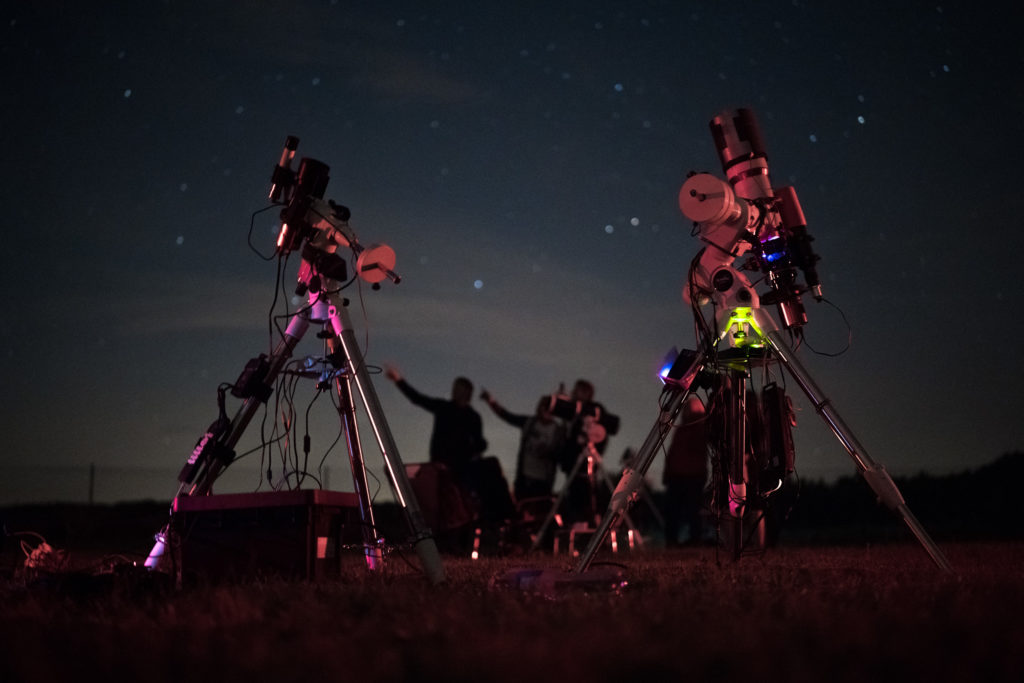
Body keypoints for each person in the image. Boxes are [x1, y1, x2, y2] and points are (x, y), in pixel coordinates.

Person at [383, 366, 487, 484]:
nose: (454, 391)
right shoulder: (443, 407)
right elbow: (418, 398)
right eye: (454, 388)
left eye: (458, 388)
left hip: (461, 469)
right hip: (439, 465)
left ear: (466, 392)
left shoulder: (473, 417)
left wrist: (469, 453)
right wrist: (398, 380)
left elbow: (479, 443)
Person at [480, 389, 567, 501]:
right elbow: (507, 416)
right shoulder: (529, 423)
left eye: (549, 407)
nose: (546, 410)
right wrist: (490, 401)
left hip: (543, 483)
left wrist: (548, 453)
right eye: (543, 406)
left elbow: (562, 455)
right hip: (523, 480)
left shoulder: (559, 432)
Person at [557, 379, 619, 525]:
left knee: (586, 501)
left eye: (576, 390)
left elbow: (610, 428)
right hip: (572, 464)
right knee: (574, 500)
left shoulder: (594, 410)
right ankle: (579, 527)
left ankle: (589, 526)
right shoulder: (578, 412)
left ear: (585, 393)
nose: (573, 393)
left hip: (585, 465)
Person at [662, 394, 709, 547]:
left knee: (690, 510)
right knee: (676, 511)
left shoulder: (698, 428)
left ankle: (693, 539)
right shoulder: (684, 429)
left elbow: (678, 452)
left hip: (691, 475)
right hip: (682, 475)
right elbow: (673, 452)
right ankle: (675, 540)